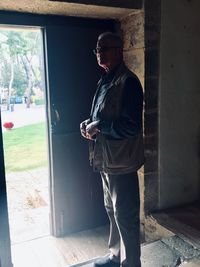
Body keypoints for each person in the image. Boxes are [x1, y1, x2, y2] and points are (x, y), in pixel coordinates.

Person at [80, 32, 144, 267]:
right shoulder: (105, 80)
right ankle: (116, 256)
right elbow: (103, 115)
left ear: (120, 50)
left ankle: (131, 263)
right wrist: (89, 123)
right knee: (111, 210)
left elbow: (132, 126)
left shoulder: (129, 82)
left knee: (125, 215)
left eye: (105, 48)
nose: (99, 53)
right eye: (97, 49)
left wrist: (101, 126)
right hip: (106, 159)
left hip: (122, 161)